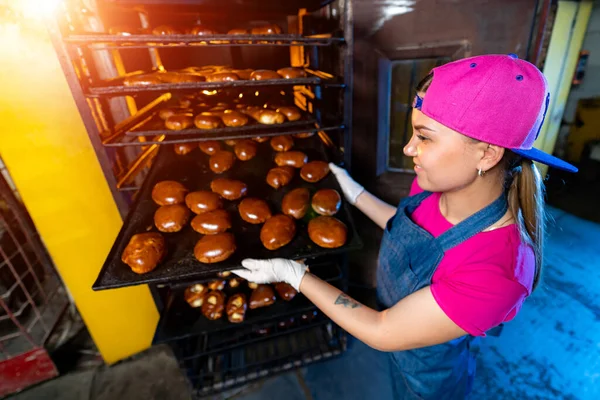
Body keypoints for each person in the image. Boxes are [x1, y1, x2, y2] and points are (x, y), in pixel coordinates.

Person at [232, 54, 578, 399]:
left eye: (424, 137)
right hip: (396, 338)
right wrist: (356, 194)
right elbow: (404, 228)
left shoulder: (498, 271)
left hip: (426, 376)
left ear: (486, 155)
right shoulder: (436, 186)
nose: (408, 148)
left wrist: (295, 275)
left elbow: (382, 331)